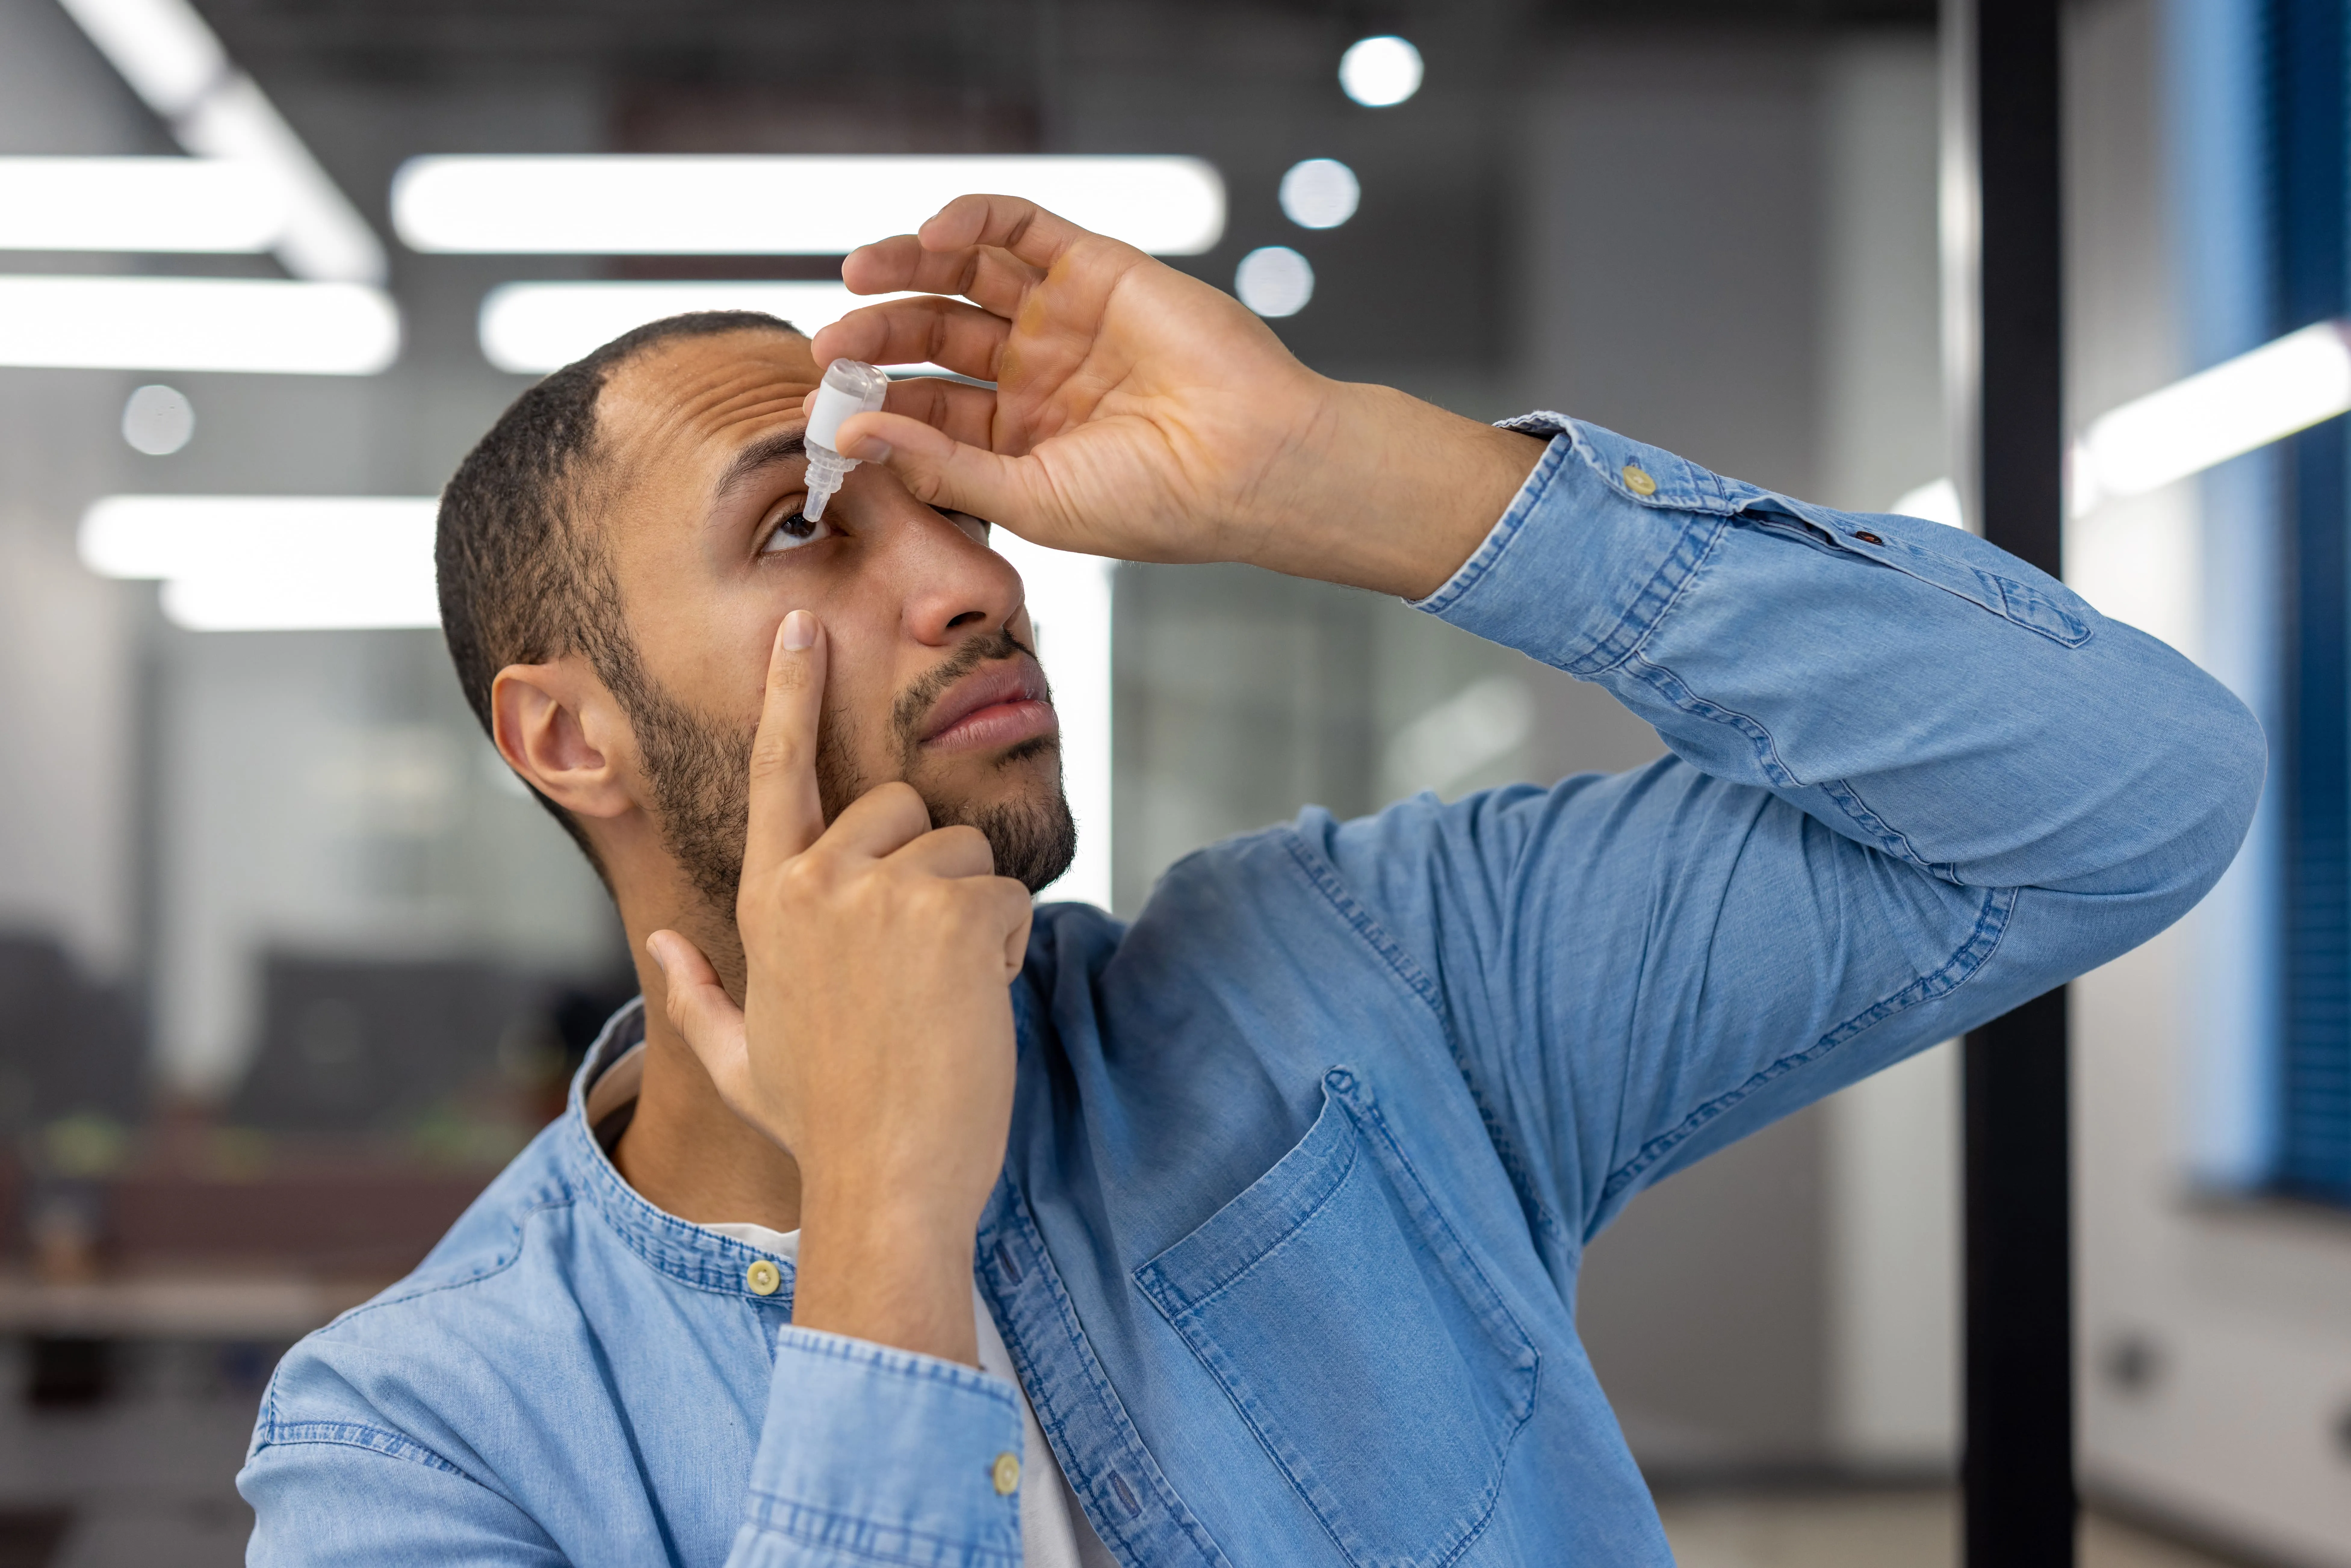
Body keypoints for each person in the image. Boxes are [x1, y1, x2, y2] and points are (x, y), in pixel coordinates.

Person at [238, 196, 2264, 1567]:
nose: (968, 577)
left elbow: (2118, 786)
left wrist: (1341, 473)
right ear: (563, 736)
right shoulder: (418, 1442)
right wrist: (885, 1217)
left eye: (942, 503)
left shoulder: (1353, 979)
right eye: (802, 531)